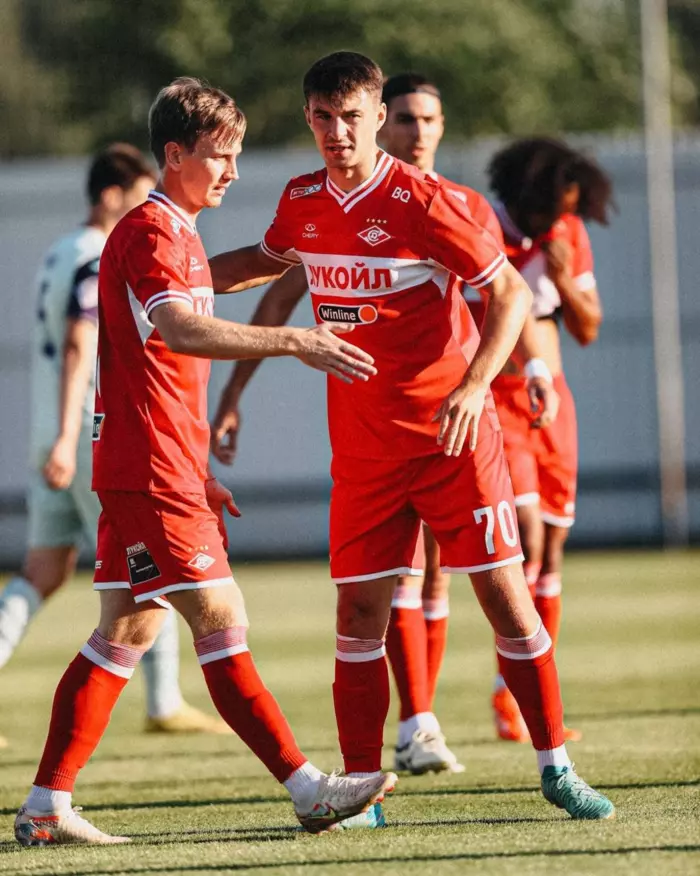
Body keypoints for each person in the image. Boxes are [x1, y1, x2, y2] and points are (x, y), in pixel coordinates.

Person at [208, 52, 614, 823]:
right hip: (364, 456)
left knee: (505, 600)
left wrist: (474, 386)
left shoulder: (428, 202)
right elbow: (263, 264)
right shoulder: (303, 200)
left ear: (376, 116)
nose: (336, 131)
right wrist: (175, 272)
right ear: (308, 119)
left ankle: (556, 766)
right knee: (358, 617)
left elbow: (509, 295)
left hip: (451, 444)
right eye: (322, 117)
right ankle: (363, 790)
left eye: (350, 116)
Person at [14, 77, 395, 847]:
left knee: (125, 631)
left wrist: (199, 469)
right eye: (220, 156)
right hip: (149, 467)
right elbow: (182, 332)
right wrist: (296, 339)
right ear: (175, 154)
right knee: (219, 618)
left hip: (152, 463)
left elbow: (173, 352)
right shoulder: (152, 232)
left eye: (238, 155)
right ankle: (308, 790)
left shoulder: (178, 233)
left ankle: (47, 804)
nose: (233, 171)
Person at [0, 144, 227, 746]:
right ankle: (164, 700)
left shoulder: (57, 250)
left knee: (42, 571)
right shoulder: (100, 253)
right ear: (110, 196)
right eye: (139, 193)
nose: (148, 205)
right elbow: (82, 340)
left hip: (49, 431)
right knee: (152, 562)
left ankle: (160, 701)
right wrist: (69, 438)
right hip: (86, 432)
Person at [469, 137, 613, 743]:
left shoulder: (566, 235)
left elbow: (588, 327)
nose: (560, 219)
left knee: (551, 550)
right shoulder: (483, 228)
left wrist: (563, 278)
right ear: (524, 198)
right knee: (522, 540)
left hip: (553, 402)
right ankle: (512, 697)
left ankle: (535, 694)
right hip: (500, 400)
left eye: (568, 210)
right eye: (552, 208)